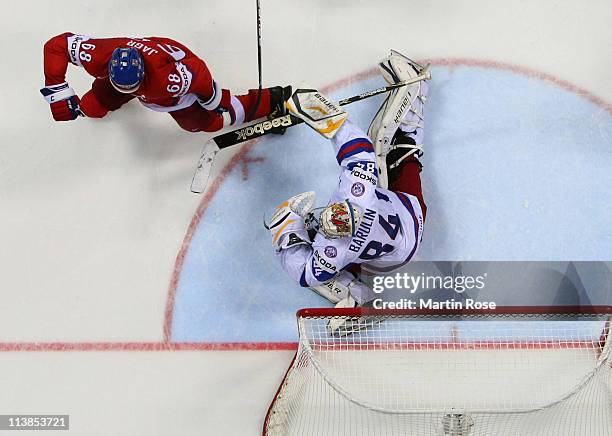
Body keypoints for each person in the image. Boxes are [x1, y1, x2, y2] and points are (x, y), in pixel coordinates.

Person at [266, 51, 429, 317]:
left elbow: (306, 274)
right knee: (398, 151)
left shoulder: (334, 247)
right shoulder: (358, 199)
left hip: (409, 228)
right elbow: (360, 152)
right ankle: (415, 88)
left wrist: (290, 232)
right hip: (409, 221)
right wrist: (329, 119)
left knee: (325, 278)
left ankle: (359, 298)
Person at [40, 33, 290, 135]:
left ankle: (271, 100)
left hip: (173, 80)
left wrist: (217, 101)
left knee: (207, 124)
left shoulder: (167, 82)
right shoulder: (101, 54)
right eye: (122, 87)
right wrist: (58, 92)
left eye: (132, 88)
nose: (128, 91)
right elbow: (56, 45)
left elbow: (200, 74)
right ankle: (110, 95)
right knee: (93, 107)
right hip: (146, 75)